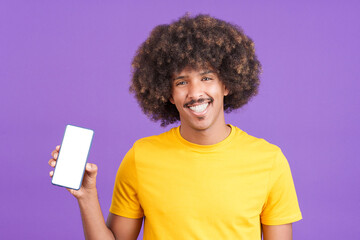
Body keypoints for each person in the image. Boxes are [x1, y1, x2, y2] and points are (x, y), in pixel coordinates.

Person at [49, 14, 302, 240]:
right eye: (182, 82)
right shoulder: (141, 157)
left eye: (206, 78)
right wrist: (87, 196)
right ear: (168, 94)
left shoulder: (269, 161)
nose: (195, 92)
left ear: (226, 85)